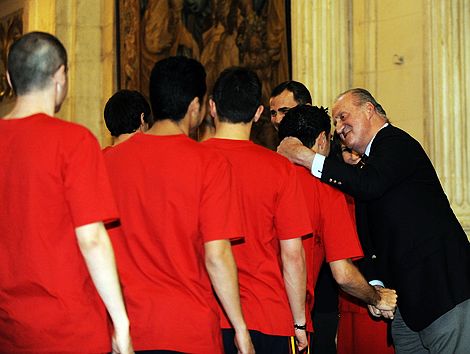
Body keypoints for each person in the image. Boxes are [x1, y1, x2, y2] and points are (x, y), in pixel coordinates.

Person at [278, 88, 470, 353]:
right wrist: (375, 286)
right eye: (335, 122)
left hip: (442, 293)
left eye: (343, 117)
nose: (339, 127)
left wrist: (307, 157)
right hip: (405, 303)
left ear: (369, 110)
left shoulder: (395, 141)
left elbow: (370, 186)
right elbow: (367, 234)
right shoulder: (368, 166)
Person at [104, 56, 253, 354]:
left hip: (126, 329)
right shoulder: (209, 163)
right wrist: (240, 327)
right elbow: (217, 255)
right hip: (189, 328)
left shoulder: (107, 162)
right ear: (195, 106)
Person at [0, 32, 133, 353]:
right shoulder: (73, 141)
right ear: (61, 76)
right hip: (70, 327)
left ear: (9, 77)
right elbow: (92, 239)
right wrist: (122, 322)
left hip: (10, 328)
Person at [203, 67, 312, 353]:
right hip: (269, 315)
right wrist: (299, 322)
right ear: (258, 112)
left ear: (212, 106)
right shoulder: (279, 168)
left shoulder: (191, 162)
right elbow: (293, 255)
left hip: (208, 316)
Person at [278, 104, 397, 342]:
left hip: (235, 314)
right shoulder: (327, 191)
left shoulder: (257, 174)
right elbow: (342, 274)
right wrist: (377, 297)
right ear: (322, 139)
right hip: (288, 319)